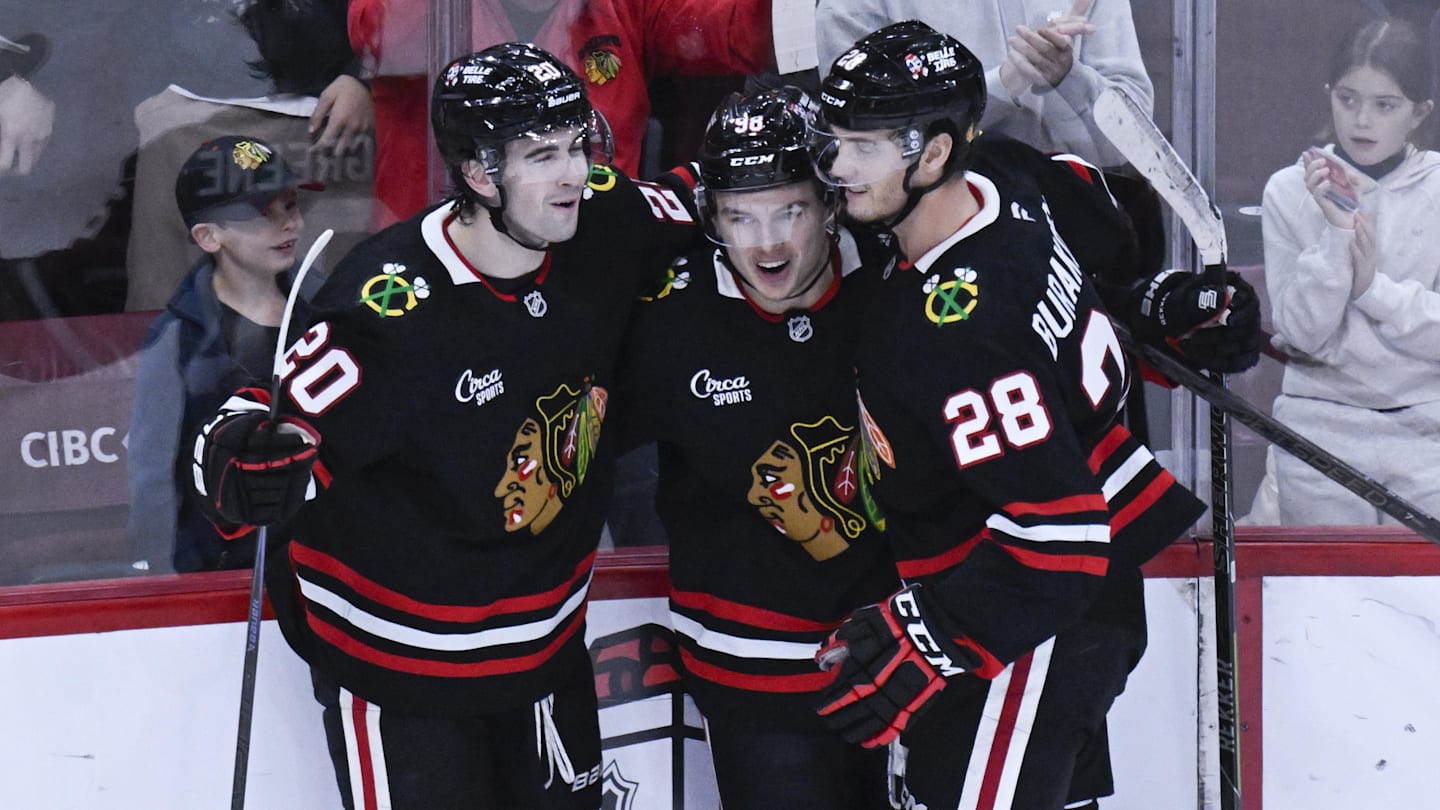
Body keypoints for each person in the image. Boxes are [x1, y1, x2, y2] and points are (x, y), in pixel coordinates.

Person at [188, 44, 698, 809]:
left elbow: (702, 200)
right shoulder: (392, 307)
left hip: (542, 651)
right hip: (400, 669)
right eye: (541, 156)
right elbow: (266, 427)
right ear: (480, 174)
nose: (572, 175)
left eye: (574, 147)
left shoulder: (603, 214)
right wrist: (239, 456)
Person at [805, 22, 1209, 808]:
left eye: (866, 147)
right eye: (838, 137)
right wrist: (1151, 308)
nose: (838, 167)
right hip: (1084, 599)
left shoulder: (957, 329)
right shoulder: (1014, 179)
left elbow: (1055, 538)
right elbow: (1108, 237)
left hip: (1029, 628)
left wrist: (923, 636)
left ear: (933, 156)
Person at [615, 87, 897, 808]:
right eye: (740, 217)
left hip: (899, 645)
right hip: (750, 657)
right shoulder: (664, 314)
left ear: (831, 203)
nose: (765, 244)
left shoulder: (899, 277)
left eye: (790, 211)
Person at [347, 0, 789, 228]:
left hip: (589, 260)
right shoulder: (422, 14)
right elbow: (372, 32)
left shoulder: (620, 6)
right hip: (443, 270)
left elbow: (734, 29)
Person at [1262, 16, 1440, 525]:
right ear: (1329, 96)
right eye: (1348, 99)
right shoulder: (1289, 190)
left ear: (1418, 112)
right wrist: (1336, 233)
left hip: (1427, 432)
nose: (1362, 120)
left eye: (1385, 105)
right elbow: (1300, 334)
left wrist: (1371, 291)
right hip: (1320, 429)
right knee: (1323, 598)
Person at [125, 135, 323, 575]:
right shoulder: (177, 342)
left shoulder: (330, 312)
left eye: (291, 205)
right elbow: (153, 474)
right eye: (261, 212)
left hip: (329, 565)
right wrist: (167, 578)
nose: (289, 224)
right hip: (225, 573)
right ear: (208, 236)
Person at [806, 0, 1153, 168]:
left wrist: (1068, 78)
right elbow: (863, 144)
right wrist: (1003, 85)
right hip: (925, 250)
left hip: (1073, 237)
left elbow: (1134, 146)